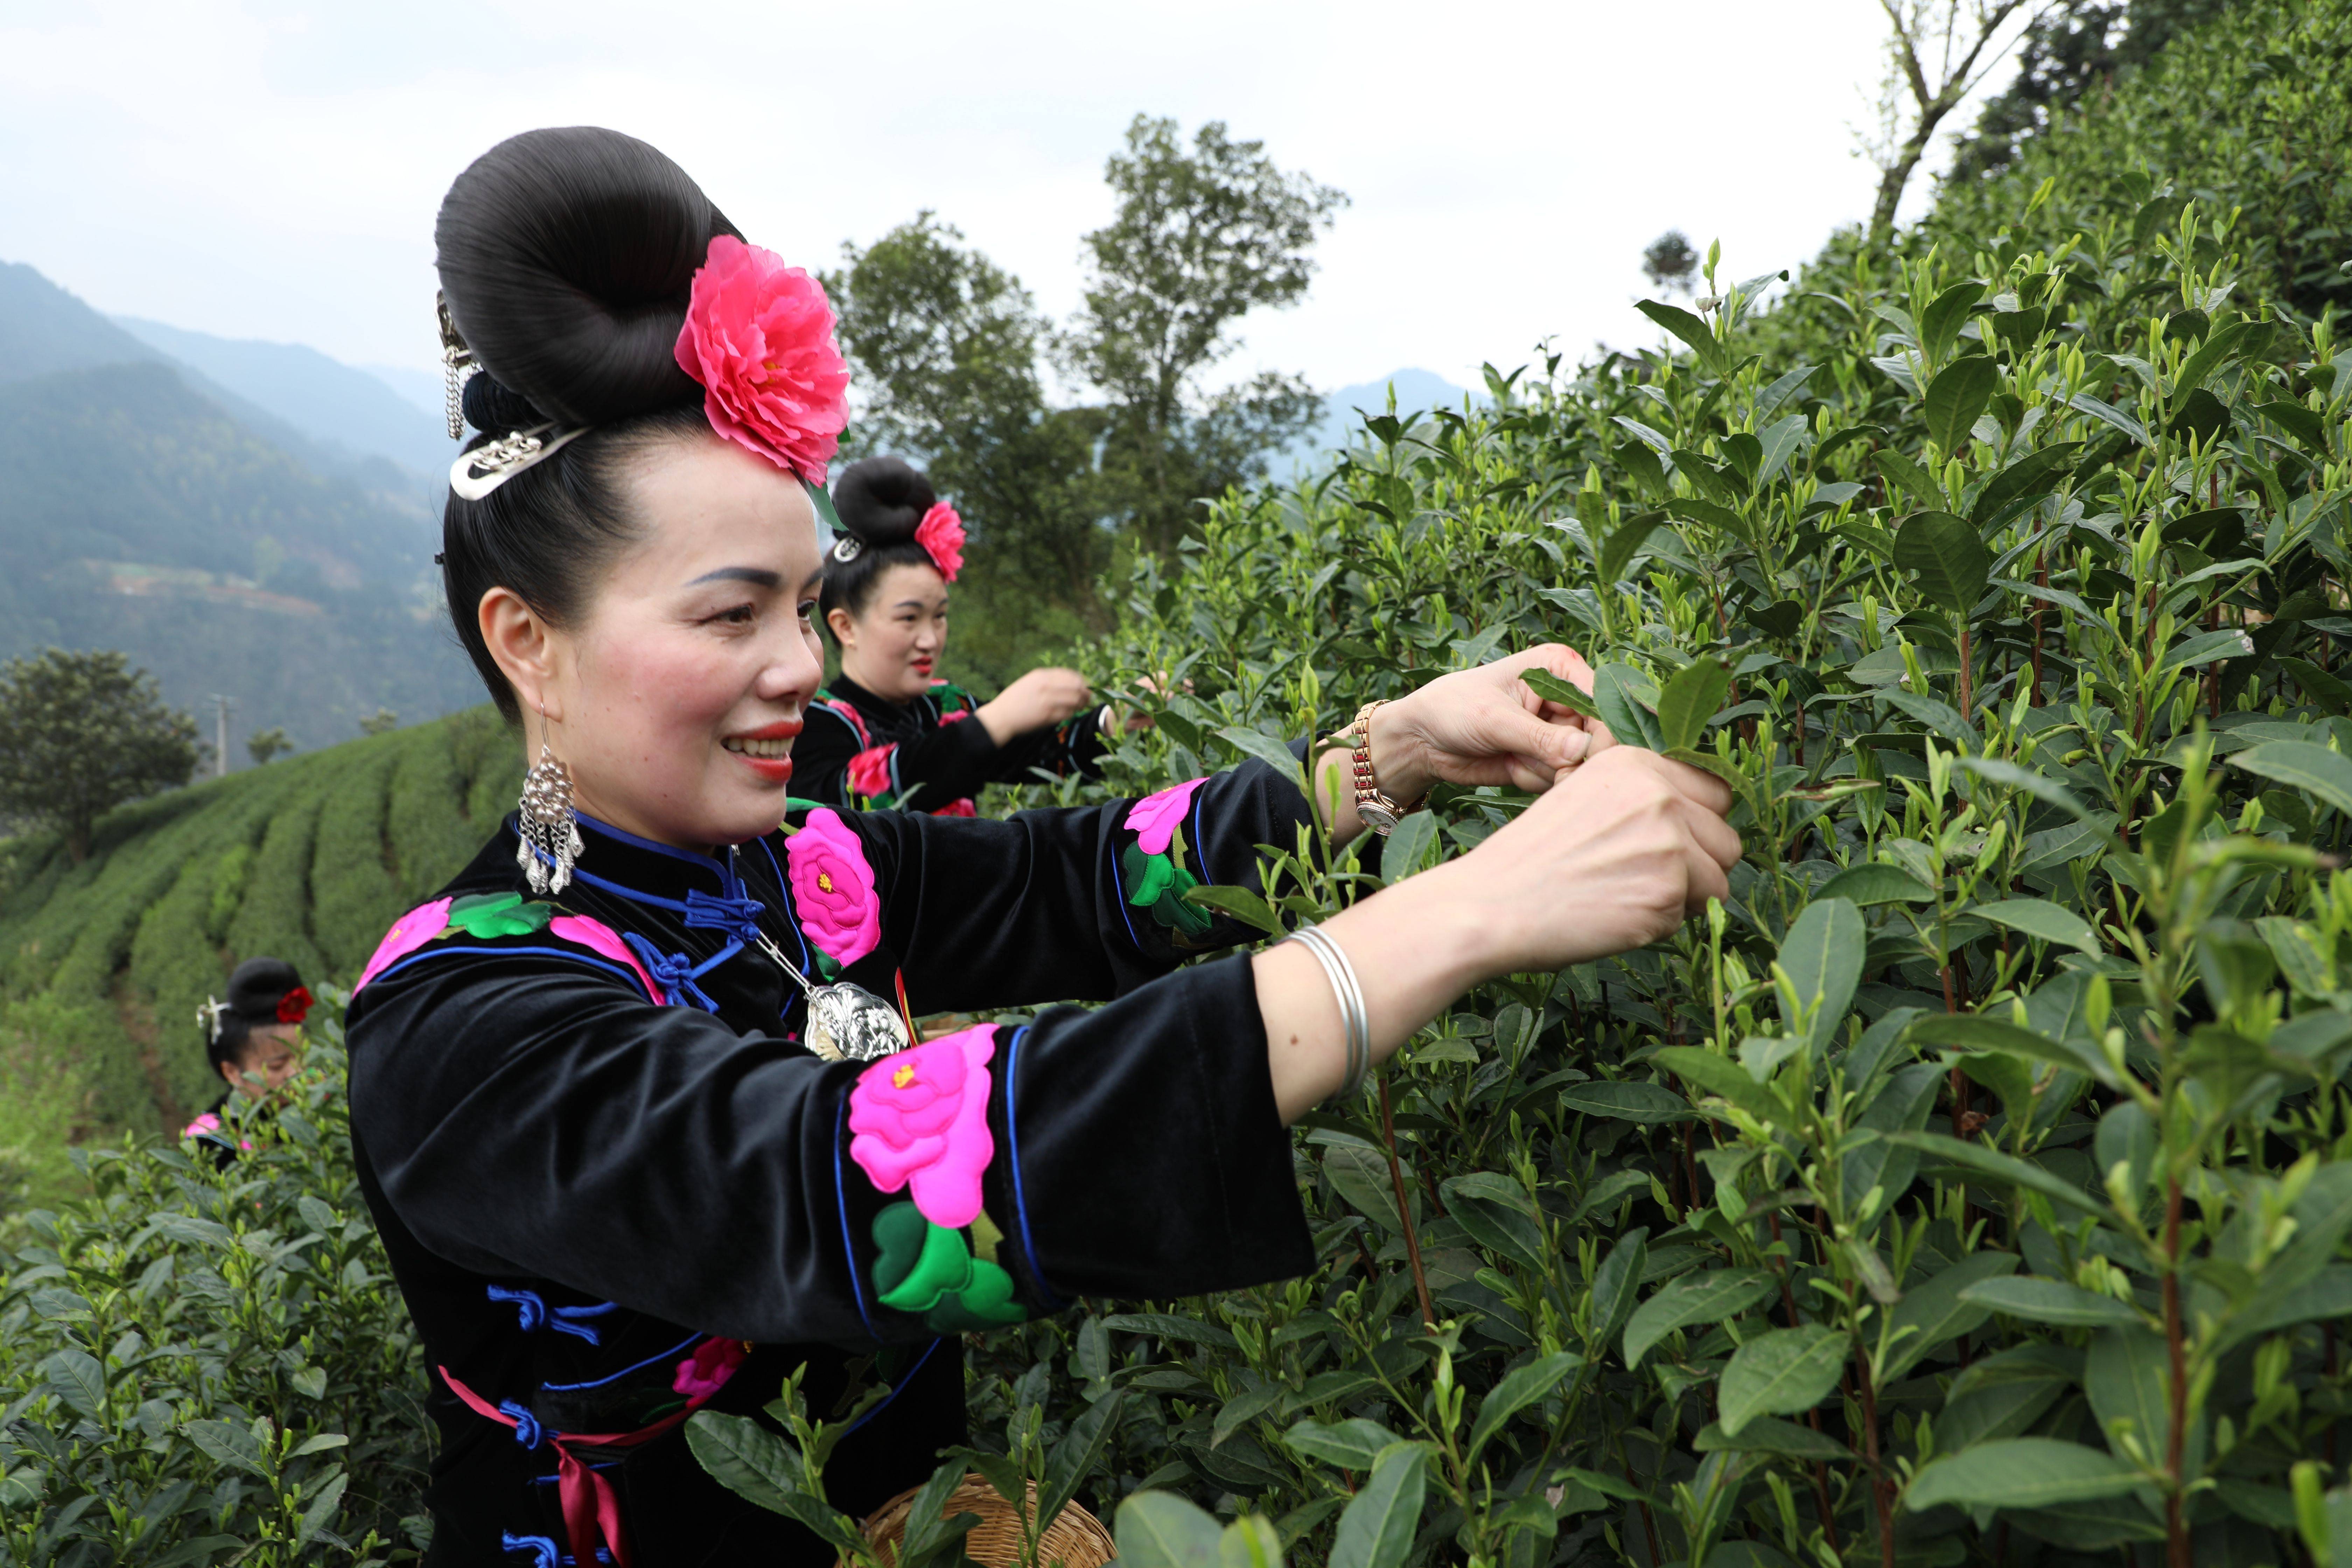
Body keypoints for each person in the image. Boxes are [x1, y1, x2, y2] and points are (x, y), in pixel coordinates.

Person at [347, 126, 1741, 1567]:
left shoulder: (800, 863)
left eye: (799, 609)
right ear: (532, 643)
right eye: (726, 614)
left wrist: (1392, 754)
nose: (798, 672)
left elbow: (1081, 876)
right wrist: (1471, 909)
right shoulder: (463, 1017)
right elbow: (836, 1180)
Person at [794, 455, 1108, 816]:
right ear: (845, 626)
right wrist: (995, 722)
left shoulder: (947, 706)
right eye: (909, 618)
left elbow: (1045, 753)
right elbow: (848, 802)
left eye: (939, 616)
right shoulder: (818, 724)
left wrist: (1114, 721)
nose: (930, 639)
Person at [184, 957, 313, 1163]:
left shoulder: (326, 1096)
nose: (297, 1072)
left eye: (302, 1056)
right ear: (232, 1072)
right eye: (277, 1066)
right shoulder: (209, 1141)